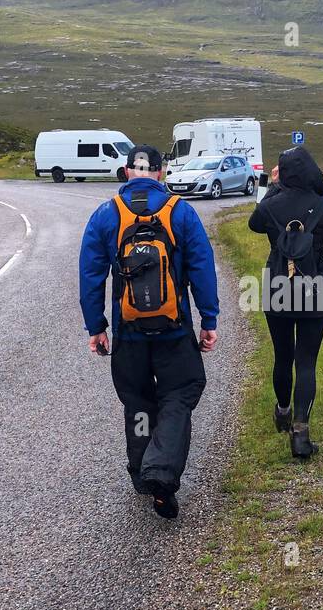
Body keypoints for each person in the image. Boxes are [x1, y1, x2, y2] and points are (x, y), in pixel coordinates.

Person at [79, 145, 219, 519]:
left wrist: (97, 328)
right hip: (173, 331)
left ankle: (142, 473)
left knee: (139, 400)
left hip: (129, 333)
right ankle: (162, 471)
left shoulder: (106, 215)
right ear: (160, 173)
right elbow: (203, 269)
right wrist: (209, 320)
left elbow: (91, 277)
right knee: (179, 394)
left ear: (127, 173)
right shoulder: (181, 213)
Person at [248, 145, 323, 460]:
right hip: (314, 288)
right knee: (305, 362)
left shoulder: (271, 205)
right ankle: (301, 432)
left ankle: (282, 409)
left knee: (283, 356)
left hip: (278, 287)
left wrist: (273, 187)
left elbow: (254, 223)